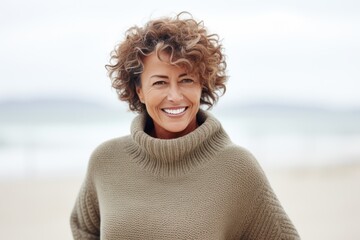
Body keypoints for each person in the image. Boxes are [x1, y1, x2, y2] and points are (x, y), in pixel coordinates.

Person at [70, 12, 300, 239]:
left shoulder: (237, 168)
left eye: (186, 80)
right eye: (160, 82)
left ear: (203, 85)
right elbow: (84, 229)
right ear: (139, 91)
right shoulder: (106, 161)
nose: (175, 96)